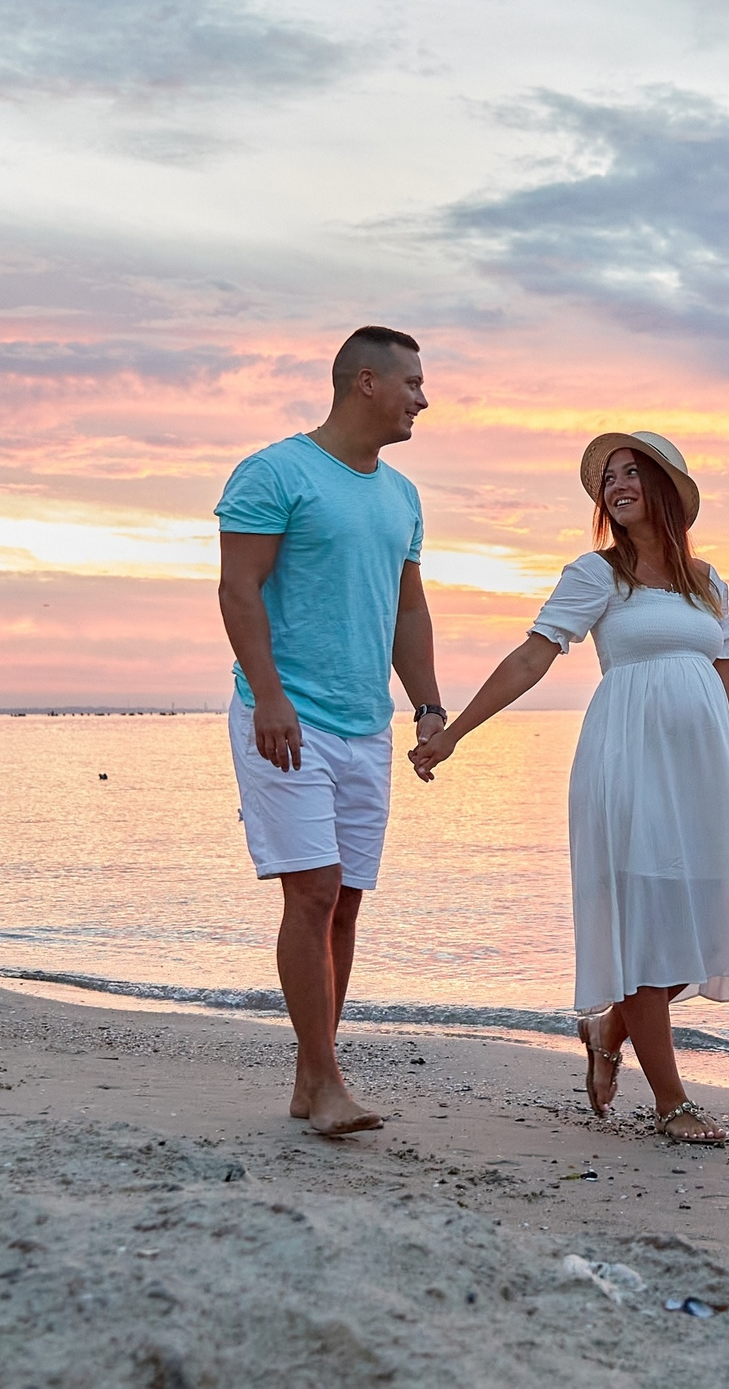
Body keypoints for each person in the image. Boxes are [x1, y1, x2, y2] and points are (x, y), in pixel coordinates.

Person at [409, 430, 729, 1147]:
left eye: (632, 473)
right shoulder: (596, 575)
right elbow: (532, 657)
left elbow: (728, 682)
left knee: (705, 919)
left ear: (667, 489)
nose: (616, 485)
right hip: (629, 763)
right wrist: (454, 732)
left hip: (701, 773)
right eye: (608, 477)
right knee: (647, 922)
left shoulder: (707, 584)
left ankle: (607, 1027)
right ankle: (671, 1102)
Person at [216, 325, 447, 1137]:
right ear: (365, 383)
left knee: (345, 903)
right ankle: (325, 1080)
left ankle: (313, 1078)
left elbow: (407, 607)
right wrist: (269, 696)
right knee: (310, 892)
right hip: (287, 716)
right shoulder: (276, 471)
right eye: (412, 383)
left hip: (365, 723)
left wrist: (427, 704)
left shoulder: (402, 496)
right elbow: (238, 589)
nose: (424, 398)